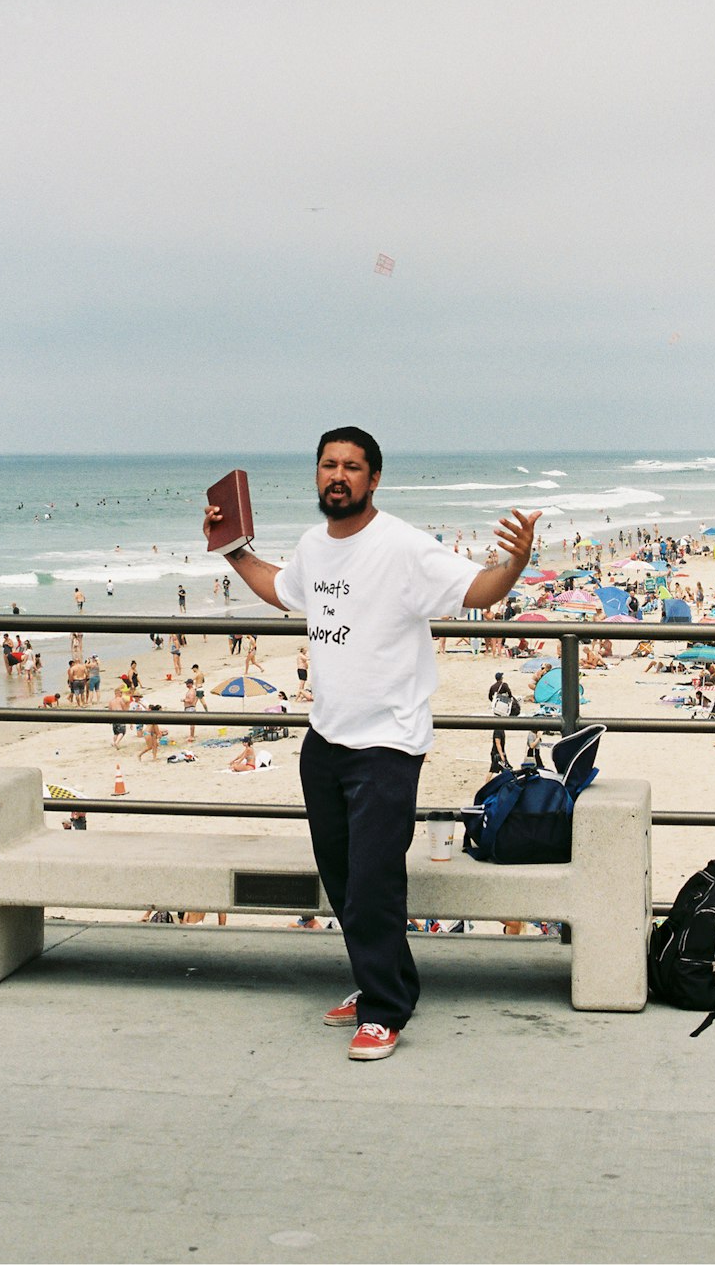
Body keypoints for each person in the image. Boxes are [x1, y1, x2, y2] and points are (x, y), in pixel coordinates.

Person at [204, 425, 539, 1062]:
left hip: (387, 744)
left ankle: (385, 1012)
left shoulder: (404, 547)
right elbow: (283, 589)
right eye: (329, 465)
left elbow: (476, 591)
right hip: (325, 739)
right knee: (341, 879)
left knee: (373, 883)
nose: (338, 476)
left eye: (352, 467)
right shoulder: (312, 545)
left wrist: (516, 563)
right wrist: (231, 549)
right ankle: (376, 983)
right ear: (318, 475)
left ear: (374, 478)